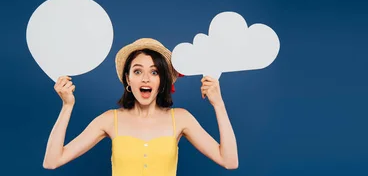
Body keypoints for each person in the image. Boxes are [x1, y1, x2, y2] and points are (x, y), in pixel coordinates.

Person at [42, 38, 238, 175]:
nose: (145, 78)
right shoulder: (110, 119)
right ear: (128, 78)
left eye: (154, 72)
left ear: (163, 81)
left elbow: (229, 162)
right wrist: (67, 106)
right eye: (137, 71)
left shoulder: (180, 118)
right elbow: (52, 161)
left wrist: (218, 104)